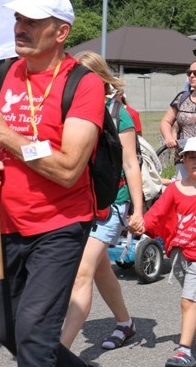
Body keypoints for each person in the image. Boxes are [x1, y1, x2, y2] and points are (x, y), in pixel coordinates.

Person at [0, 0, 105, 367]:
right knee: (9, 333)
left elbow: (68, 168)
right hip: (7, 224)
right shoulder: (6, 72)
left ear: (60, 32)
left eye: (32, 21)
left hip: (58, 227)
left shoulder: (84, 84)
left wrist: (6, 136)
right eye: (18, 18)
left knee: (34, 335)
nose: (20, 27)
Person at [61, 51, 144, 351]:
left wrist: (138, 209)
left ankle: (59, 351)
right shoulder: (68, 109)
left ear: (96, 78)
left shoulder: (119, 113)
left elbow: (131, 163)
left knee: (82, 271)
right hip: (79, 200)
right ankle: (126, 323)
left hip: (112, 202)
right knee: (99, 269)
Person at [130, 136, 196, 367]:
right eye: (192, 157)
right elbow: (156, 215)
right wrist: (141, 224)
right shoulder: (174, 190)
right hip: (178, 252)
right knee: (194, 297)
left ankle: (183, 351)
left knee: (188, 300)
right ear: (183, 161)